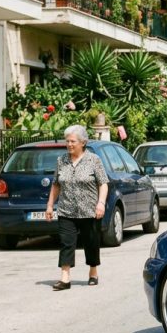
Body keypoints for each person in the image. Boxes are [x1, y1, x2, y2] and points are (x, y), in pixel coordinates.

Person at [45, 125, 108, 291]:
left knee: (91, 242)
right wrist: (50, 205)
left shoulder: (94, 160)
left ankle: (93, 271)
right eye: (67, 141)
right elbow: (56, 184)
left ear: (83, 142)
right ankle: (65, 277)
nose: (69, 144)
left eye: (73, 141)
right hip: (66, 210)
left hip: (90, 210)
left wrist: (101, 203)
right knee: (66, 243)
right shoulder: (61, 161)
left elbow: (103, 183)